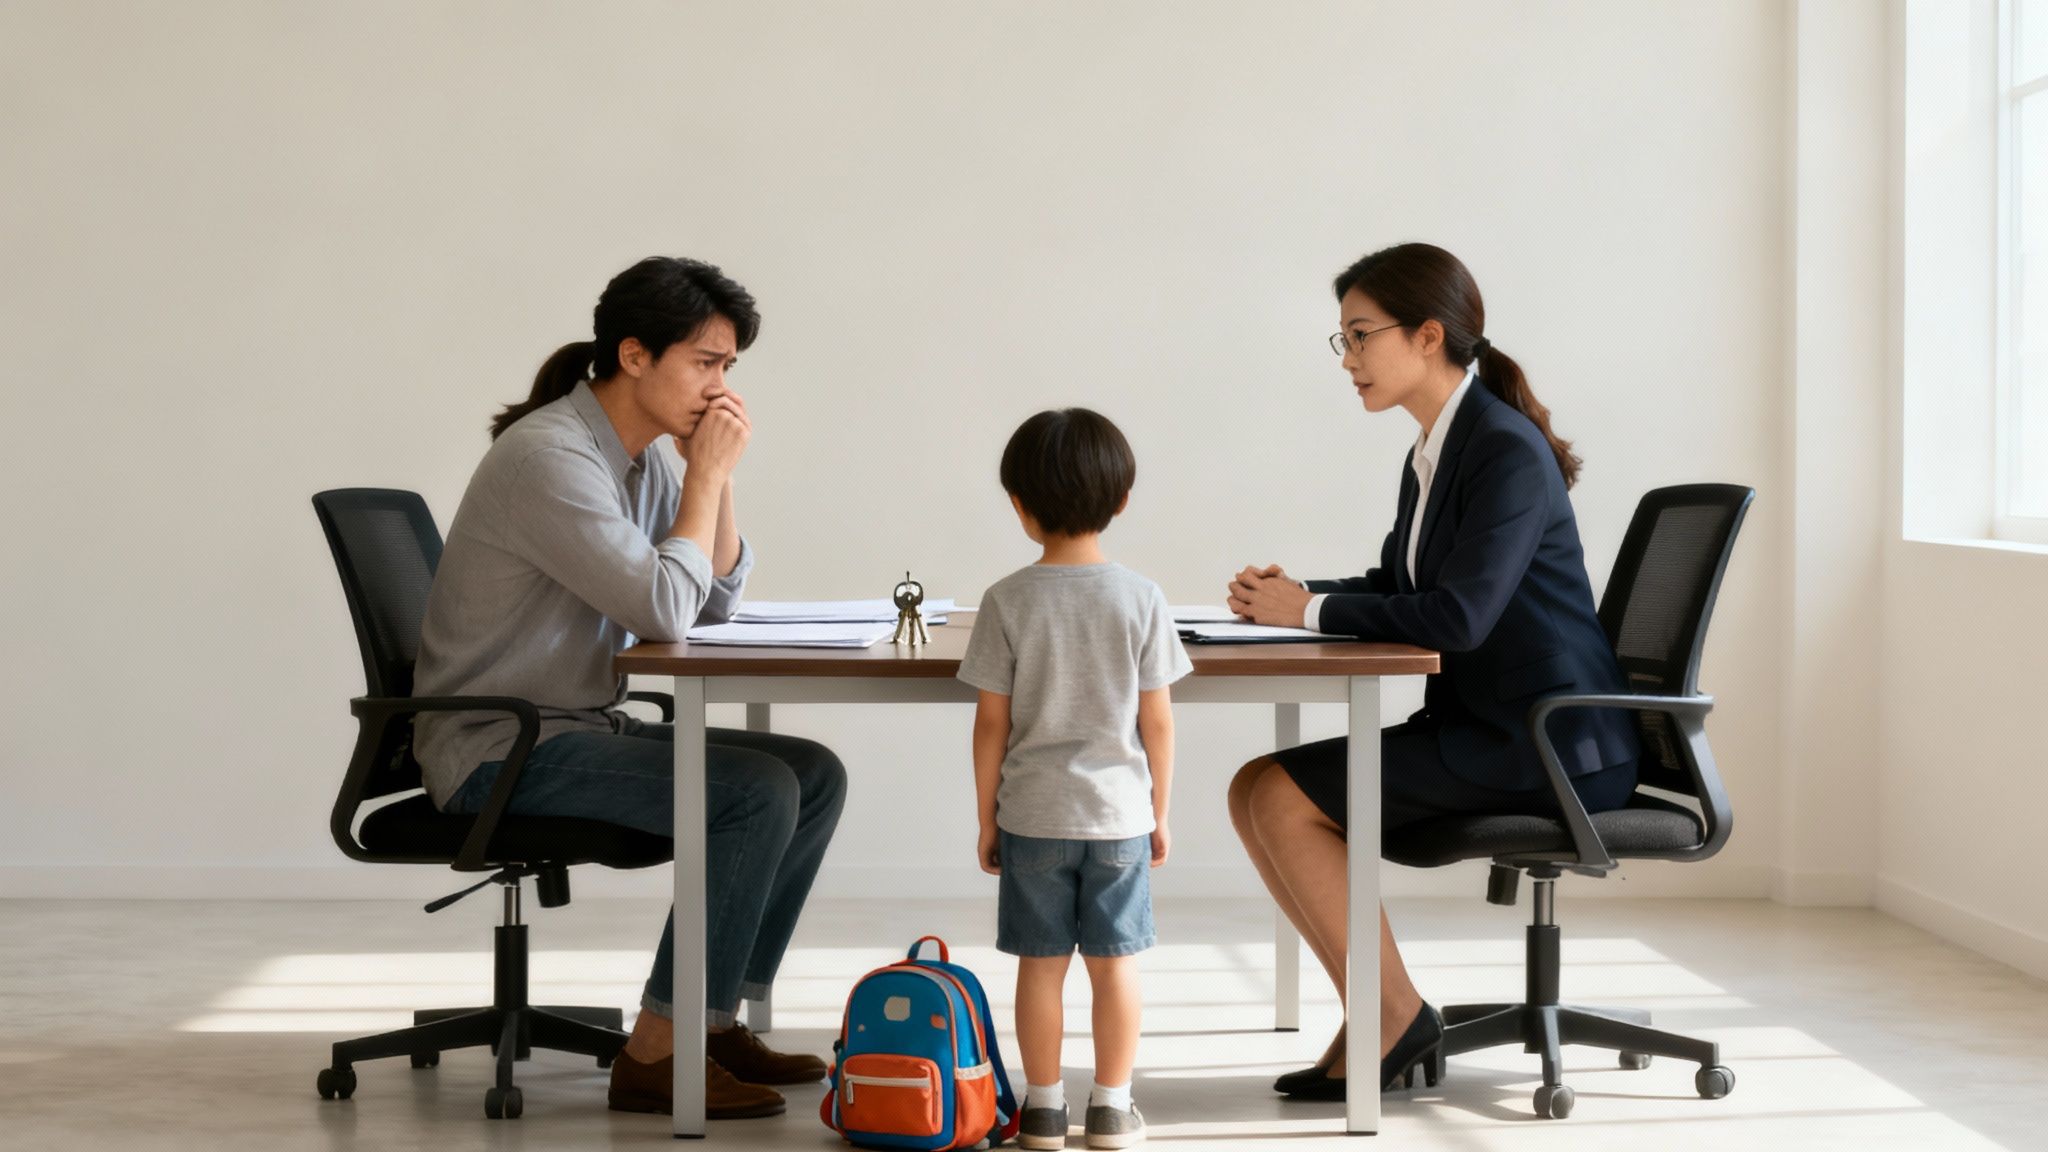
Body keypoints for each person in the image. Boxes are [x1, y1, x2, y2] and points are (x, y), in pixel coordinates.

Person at [411, 256, 846, 1120]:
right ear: (635, 354)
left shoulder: (643, 460)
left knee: (812, 772)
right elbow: (661, 602)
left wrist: (703, 474)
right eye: (707, 363)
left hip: (574, 727)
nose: (721, 388)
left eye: (729, 369)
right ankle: (656, 1054)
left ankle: (710, 1020)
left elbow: (711, 600)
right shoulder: (550, 459)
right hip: (500, 748)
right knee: (755, 793)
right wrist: (710, 475)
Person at [1223, 243, 1641, 1101]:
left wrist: (1305, 613)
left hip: (1547, 742)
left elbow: (1458, 617)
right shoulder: (1437, 448)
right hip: (1488, 724)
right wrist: (1295, 596)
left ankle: (1395, 1018)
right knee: (1253, 788)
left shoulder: (1502, 450)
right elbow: (1403, 587)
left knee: (1275, 796)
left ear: (1427, 335)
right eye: (1339, 340)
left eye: (1359, 336)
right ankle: (1380, 1009)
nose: (1348, 360)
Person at [958, 408, 1193, 1151]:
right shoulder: (1143, 598)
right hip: (1119, 815)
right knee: (1116, 966)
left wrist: (987, 818)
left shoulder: (1006, 599)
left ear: (1021, 507)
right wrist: (1160, 809)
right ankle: (1113, 1109)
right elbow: (1157, 722)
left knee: (1041, 966)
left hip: (1032, 816)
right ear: (1120, 501)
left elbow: (991, 724)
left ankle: (1043, 1110)